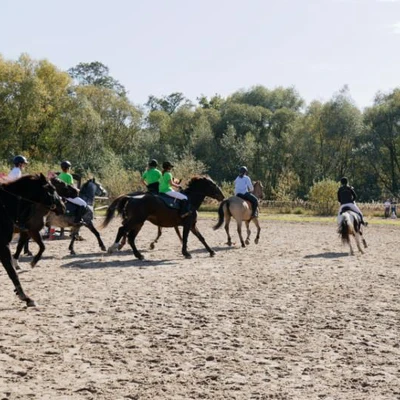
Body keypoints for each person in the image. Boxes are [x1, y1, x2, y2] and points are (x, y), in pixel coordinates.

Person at [5, 155, 30, 229]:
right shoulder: (17, 171)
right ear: (20, 164)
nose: (24, 165)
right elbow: (19, 184)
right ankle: (20, 223)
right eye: (23, 163)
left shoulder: (15, 170)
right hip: (11, 193)